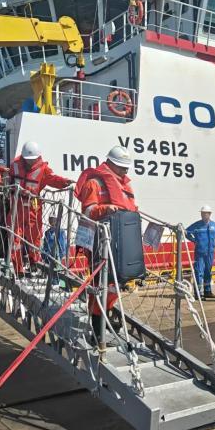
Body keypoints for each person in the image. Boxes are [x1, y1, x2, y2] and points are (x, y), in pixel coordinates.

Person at [76, 145, 138, 341]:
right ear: (110, 164)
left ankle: (106, 318)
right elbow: (87, 212)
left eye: (126, 167)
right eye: (122, 167)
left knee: (114, 284)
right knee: (100, 284)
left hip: (119, 241)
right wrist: (105, 209)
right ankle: (97, 332)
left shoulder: (124, 185)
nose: (125, 171)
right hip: (98, 242)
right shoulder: (93, 184)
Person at [9, 141, 72, 274]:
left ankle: (34, 262)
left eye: (32, 159)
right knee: (15, 237)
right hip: (17, 205)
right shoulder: (15, 165)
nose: (30, 162)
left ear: (38, 157)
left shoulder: (43, 169)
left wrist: (64, 182)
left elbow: (53, 179)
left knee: (35, 236)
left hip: (33, 206)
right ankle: (18, 268)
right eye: (27, 159)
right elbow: (9, 180)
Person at [186, 205, 215, 299]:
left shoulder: (214, 225)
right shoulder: (197, 225)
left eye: (205, 213)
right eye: (202, 213)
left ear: (209, 214)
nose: (203, 215)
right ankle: (198, 293)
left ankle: (207, 291)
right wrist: (194, 240)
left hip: (210, 253)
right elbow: (186, 232)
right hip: (200, 253)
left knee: (208, 272)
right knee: (199, 272)